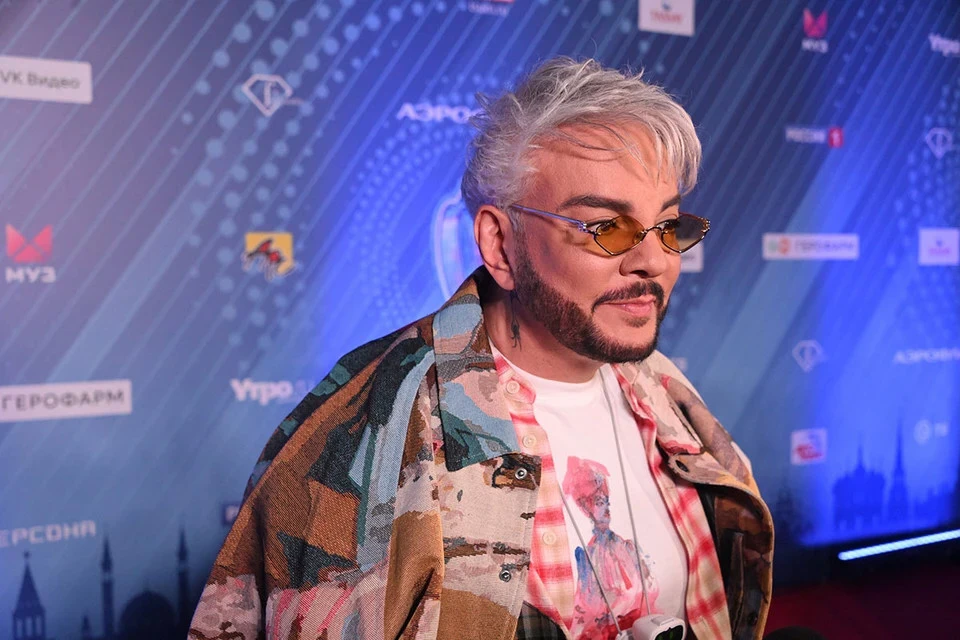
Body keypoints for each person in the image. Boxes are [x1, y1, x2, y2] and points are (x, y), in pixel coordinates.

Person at [189, 57, 774, 640]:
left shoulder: (661, 389)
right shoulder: (368, 426)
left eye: (668, 227)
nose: (652, 261)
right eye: (606, 229)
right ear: (500, 243)